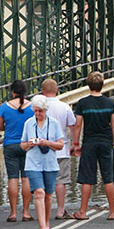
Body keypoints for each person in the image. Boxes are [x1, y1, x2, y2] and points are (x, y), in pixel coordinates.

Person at [73, 71, 114, 221]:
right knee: (108, 177)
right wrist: (113, 141)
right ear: (102, 85)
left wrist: (75, 143)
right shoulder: (109, 102)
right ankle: (112, 212)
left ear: (88, 85)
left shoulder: (83, 103)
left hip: (89, 142)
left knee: (88, 177)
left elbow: (78, 124)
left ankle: (83, 211)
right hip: (106, 141)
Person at [20, 95, 65, 229]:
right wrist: (30, 144)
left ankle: (46, 223)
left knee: (48, 195)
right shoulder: (28, 123)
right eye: (35, 111)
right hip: (33, 163)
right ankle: (42, 227)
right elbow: (22, 145)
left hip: (50, 164)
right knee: (39, 192)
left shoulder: (54, 124)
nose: (38, 114)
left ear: (46, 110)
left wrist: (46, 142)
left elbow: (60, 145)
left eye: (40, 111)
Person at [0, 80, 34, 222]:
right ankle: (26, 212)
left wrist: (10, 127)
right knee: (26, 178)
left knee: (12, 178)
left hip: (10, 146)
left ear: (12, 92)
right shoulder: (31, 108)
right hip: (27, 145)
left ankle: (13, 213)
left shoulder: (4, 108)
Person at [41, 78, 77, 220]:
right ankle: (60, 210)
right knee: (61, 181)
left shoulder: (38, 107)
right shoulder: (65, 107)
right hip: (61, 149)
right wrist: (75, 143)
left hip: (42, 150)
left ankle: (44, 209)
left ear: (42, 91)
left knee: (43, 181)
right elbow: (73, 125)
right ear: (57, 91)